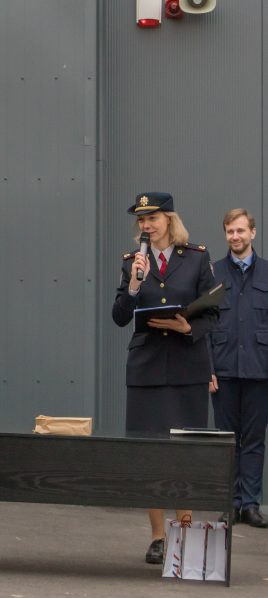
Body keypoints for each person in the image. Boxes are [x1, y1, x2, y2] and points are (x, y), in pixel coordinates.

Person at [111, 192, 219, 564]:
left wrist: (189, 325)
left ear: (169, 220)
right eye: (141, 220)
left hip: (187, 367)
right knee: (150, 454)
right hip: (146, 369)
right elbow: (120, 315)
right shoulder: (131, 264)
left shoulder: (197, 258)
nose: (146, 226)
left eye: (153, 218)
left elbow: (214, 312)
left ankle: (184, 531)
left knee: (185, 453)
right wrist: (135, 285)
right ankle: (158, 536)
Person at [209, 208, 268, 528]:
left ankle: (250, 504)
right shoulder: (213, 274)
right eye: (230, 231)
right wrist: (208, 369)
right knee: (226, 440)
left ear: (253, 233)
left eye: (241, 231)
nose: (236, 237)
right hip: (225, 370)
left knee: (255, 440)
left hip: (260, 370)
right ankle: (229, 503)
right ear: (226, 234)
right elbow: (203, 325)